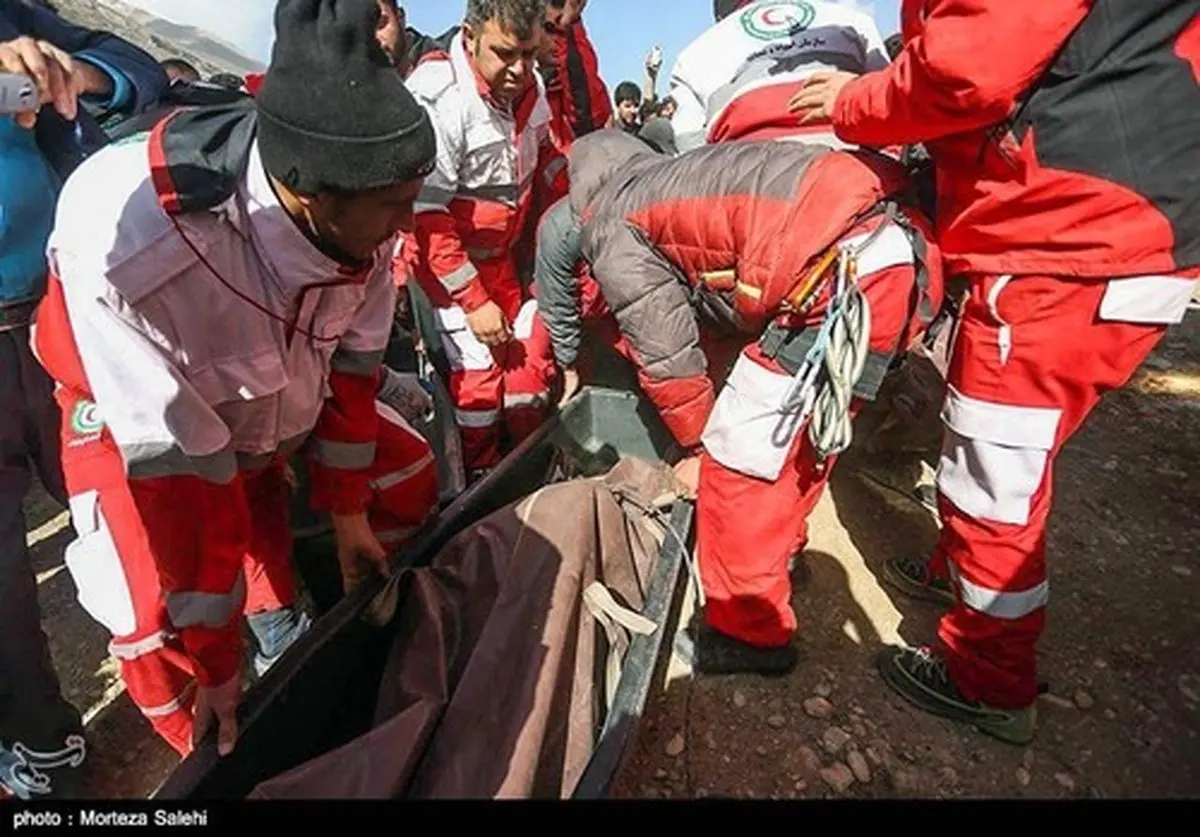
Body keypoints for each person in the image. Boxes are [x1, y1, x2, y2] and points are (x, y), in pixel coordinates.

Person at [30, 0, 441, 761]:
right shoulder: (130, 248)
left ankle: (288, 637)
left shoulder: (364, 207)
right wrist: (216, 660)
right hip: (131, 418)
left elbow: (352, 370)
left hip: (264, 406)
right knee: (150, 618)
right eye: (394, 210)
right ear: (309, 193)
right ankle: (217, 752)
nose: (406, 228)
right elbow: (179, 472)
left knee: (405, 469)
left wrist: (349, 512)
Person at [789, 0, 1200, 744]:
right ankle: (959, 568)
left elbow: (967, 68)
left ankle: (987, 678)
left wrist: (852, 102)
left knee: (994, 469)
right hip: (1110, 216)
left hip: (1065, 230)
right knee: (996, 439)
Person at [534, 129, 943, 674]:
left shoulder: (613, 221)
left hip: (836, 271)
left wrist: (699, 445)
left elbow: (669, 358)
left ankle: (750, 632)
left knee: (740, 458)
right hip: (896, 251)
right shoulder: (677, 178)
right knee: (801, 439)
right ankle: (779, 558)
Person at [0, 0, 167, 801]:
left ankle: (189, 678)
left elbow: (138, 73)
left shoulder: (15, 18)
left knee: (130, 511)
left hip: (53, 323)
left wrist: (72, 74)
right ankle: (45, 749)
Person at [403, 0, 562, 479]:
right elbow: (426, 217)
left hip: (505, 263)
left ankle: (524, 472)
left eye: (530, 55)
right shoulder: (440, 98)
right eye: (505, 54)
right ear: (469, 38)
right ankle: (478, 480)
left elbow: (547, 160)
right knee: (478, 385)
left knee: (526, 380)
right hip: (446, 270)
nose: (520, 70)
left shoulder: (529, 87)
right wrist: (472, 301)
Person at [667, 0, 889, 151]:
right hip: (859, 190)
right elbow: (890, 109)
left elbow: (690, 152)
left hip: (749, 197)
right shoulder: (852, 21)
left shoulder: (693, 55)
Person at [540, 0, 611, 153]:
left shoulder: (570, 79)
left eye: (561, 34)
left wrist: (571, 25)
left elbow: (591, 119)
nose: (556, 42)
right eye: (550, 30)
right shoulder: (516, 84)